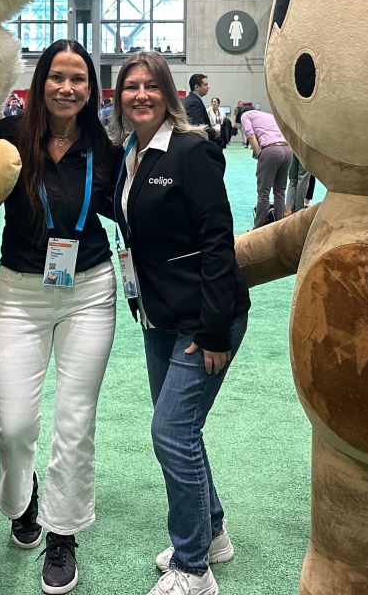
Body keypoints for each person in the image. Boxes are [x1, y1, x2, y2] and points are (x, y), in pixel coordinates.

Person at [111, 51, 250, 595]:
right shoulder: (130, 154)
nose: (140, 95)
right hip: (158, 316)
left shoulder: (191, 151)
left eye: (150, 86)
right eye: (130, 87)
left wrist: (214, 329)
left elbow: (218, 242)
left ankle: (194, 567)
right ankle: (211, 532)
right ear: (119, 97)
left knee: (170, 431)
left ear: (167, 93)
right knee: (181, 431)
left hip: (204, 319)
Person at [0, 40, 120, 595]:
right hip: (20, 293)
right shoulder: (7, 141)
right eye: (58, 77)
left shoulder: (106, 147)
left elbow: (133, 206)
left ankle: (63, 532)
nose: (68, 87)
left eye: (80, 80)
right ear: (41, 80)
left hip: (90, 289)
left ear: (91, 90)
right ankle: (24, 498)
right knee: (14, 425)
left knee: (74, 419)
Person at [239, 106, 292, 227]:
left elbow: (251, 135)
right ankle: (279, 225)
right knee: (280, 191)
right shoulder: (268, 115)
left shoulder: (245, 115)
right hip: (287, 150)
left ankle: (258, 228)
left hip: (271, 150)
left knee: (263, 193)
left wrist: (260, 155)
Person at [183, 74, 217, 142]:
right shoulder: (194, 102)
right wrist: (215, 131)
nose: (208, 87)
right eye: (205, 85)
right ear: (197, 87)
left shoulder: (192, 100)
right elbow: (198, 127)